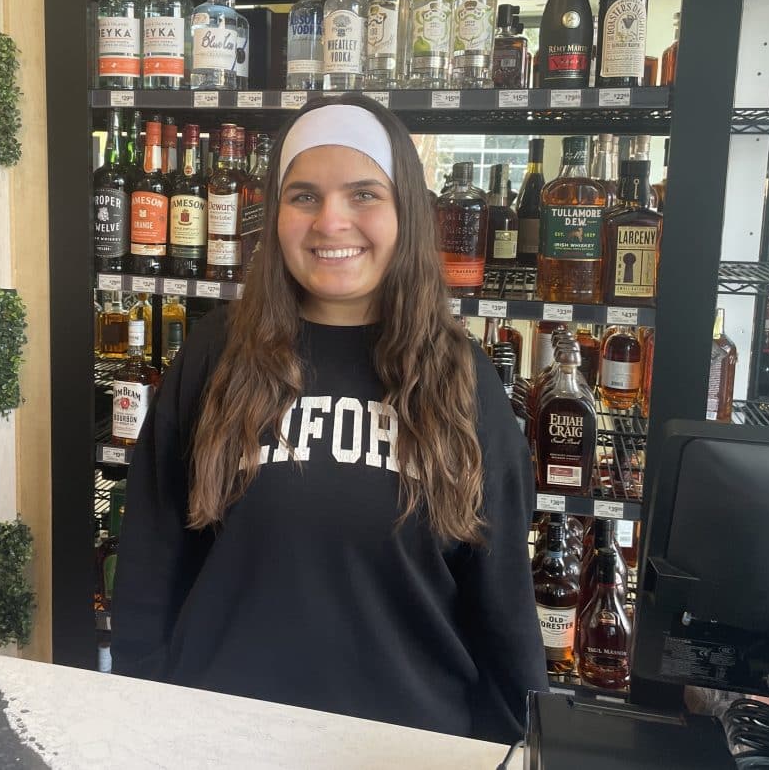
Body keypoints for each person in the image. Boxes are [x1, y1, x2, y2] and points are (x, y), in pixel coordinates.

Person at [112, 94, 547, 743]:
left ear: (405, 212)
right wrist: (144, 717)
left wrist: (512, 747)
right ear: (275, 213)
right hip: (223, 737)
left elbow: (503, 606)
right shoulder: (216, 353)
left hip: (403, 749)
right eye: (305, 196)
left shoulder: (462, 379)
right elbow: (151, 559)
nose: (331, 221)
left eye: (364, 194)